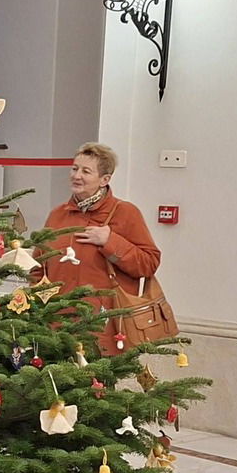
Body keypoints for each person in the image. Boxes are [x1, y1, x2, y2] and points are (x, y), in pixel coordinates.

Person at [41, 143, 162, 355]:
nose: (77, 176)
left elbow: (149, 263)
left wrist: (110, 241)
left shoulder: (125, 213)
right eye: (74, 168)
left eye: (86, 171)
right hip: (57, 329)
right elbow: (38, 265)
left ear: (105, 179)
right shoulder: (57, 215)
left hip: (103, 330)